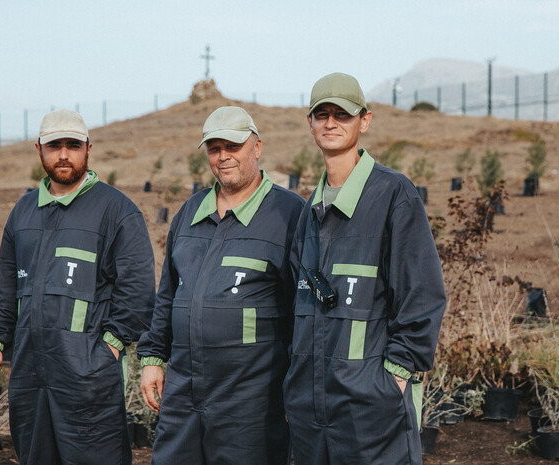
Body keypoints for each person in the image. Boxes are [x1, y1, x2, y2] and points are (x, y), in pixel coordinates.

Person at [285, 73, 446, 464]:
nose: (330, 122)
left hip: (371, 407)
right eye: (321, 114)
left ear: (365, 120)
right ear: (310, 124)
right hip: (311, 407)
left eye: (342, 113)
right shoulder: (309, 209)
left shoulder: (394, 195)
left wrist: (392, 378)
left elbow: (422, 297)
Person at [0, 109, 156, 465]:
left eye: (72, 145)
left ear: (88, 148)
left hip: (88, 375)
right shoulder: (24, 211)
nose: (63, 154)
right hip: (29, 370)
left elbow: (137, 289)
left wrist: (111, 345)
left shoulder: (116, 210)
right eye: (54, 145)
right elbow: (7, 284)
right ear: (38, 149)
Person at [137, 106, 305, 464]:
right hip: (183, 392)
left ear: (257, 147)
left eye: (234, 146)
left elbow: (302, 311)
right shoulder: (190, 212)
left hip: (252, 401)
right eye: (214, 148)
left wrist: (297, 384)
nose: (224, 156)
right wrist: (153, 358)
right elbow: (168, 293)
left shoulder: (288, 215)